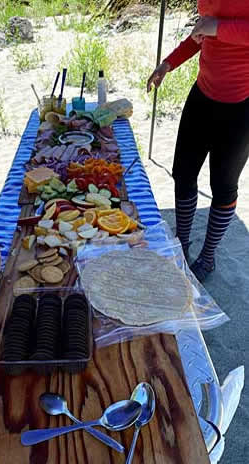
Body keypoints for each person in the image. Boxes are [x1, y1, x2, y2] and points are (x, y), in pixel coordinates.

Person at [147, 1, 249, 282]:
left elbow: (216, 27)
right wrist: (169, 62)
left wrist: (219, 27)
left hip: (240, 105)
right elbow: (202, 34)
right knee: (183, 173)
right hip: (202, 95)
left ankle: (208, 256)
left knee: (224, 186)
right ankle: (181, 242)